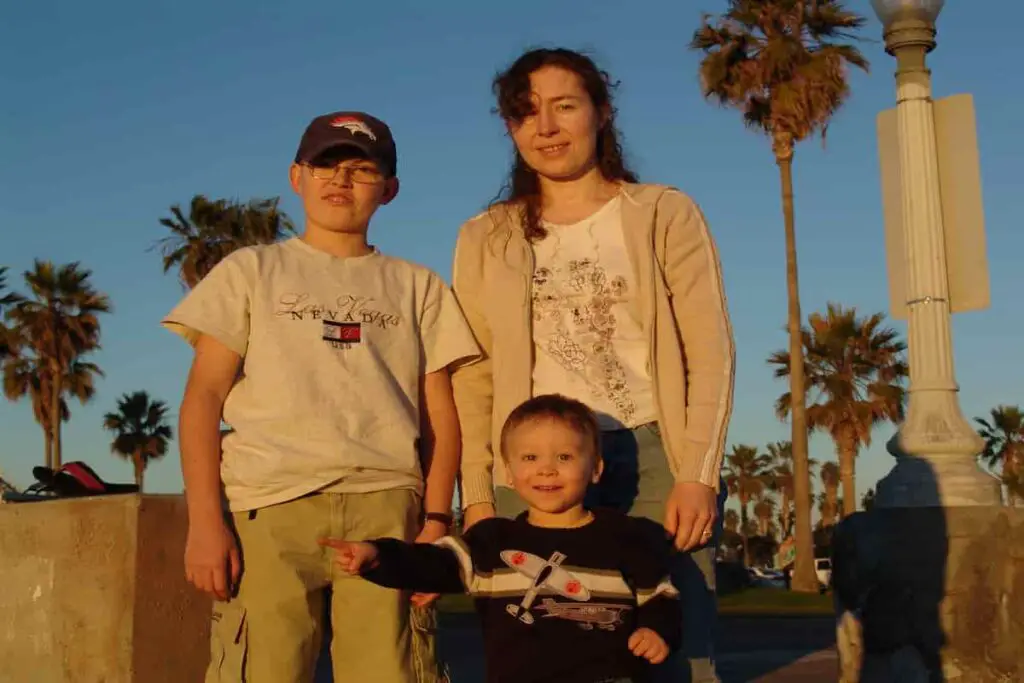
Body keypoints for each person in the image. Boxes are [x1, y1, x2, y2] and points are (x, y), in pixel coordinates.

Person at [163, 111, 479, 683]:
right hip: (269, 507)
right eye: (326, 165)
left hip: (386, 508)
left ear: (389, 189)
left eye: (361, 169)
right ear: (296, 176)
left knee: (393, 669)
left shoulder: (418, 285)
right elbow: (203, 398)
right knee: (264, 668)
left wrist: (436, 521)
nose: (341, 180)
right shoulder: (251, 270)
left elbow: (441, 416)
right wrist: (205, 522)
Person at [450, 48, 735, 683]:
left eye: (564, 106)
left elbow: (709, 348)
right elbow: (473, 374)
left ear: (601, 112)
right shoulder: (485, 236)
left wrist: (699, 472)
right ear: (511, 128)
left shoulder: (662, 212)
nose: (545, 127)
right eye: (526, 113)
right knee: (537, 655)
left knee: (679, 654)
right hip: (528, 471)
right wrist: (476, 496)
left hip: (653, 456)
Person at [322, 394, 682, 683]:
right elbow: (433, 562)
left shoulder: (627, 537)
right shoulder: (492, 542)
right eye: (530, 457)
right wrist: (377, 555)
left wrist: (656, 629)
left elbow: (661, 596)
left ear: (596, 468)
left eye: (564, 456)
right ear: (509, 473)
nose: (546, 468)